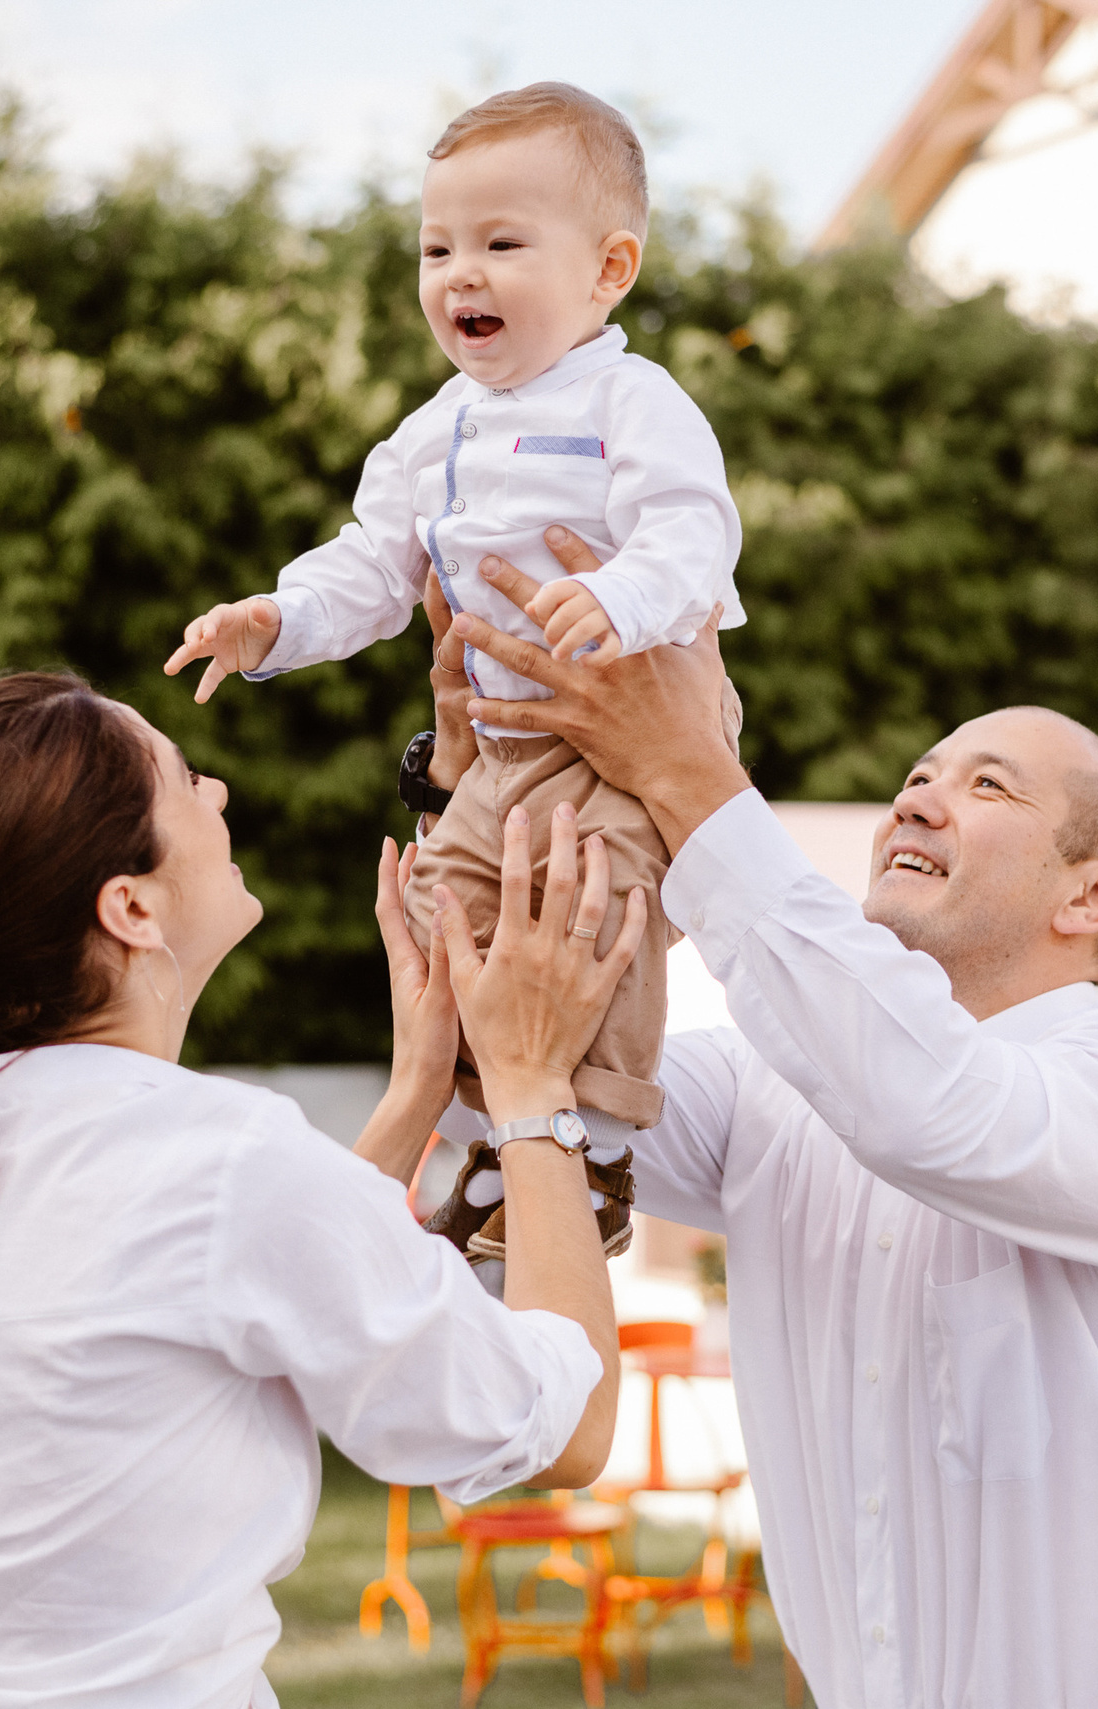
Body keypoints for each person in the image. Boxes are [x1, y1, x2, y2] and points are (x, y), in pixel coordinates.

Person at [428, 541, 1098, 1708]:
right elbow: (508, 1061)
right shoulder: (782, 1081)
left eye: (988, 785)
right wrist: (478, 774)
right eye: (920, 773)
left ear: (1091, 894)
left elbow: (929, 1108)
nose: (918, 794)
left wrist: (689, 771)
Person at [0, 670, 643, 1707]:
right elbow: (565, 1425)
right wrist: (534, 1086)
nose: (217, 789)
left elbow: (214, 1279)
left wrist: (413, 1094)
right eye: (182, 777)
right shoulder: (221, 1162)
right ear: (129, 907)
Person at [162, 81, 745, 1266]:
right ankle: (500, 1133)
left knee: (595, 913)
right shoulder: (437, 429)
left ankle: (601, 1144)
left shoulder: (632, 402)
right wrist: (275, 619)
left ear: (608, 270)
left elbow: (694, 534)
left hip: (632, 710)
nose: (459, 274)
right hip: (505, 730)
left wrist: (617, 599)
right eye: (437, 248)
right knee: (458, 918)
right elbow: (374, 565)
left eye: (500, 243)